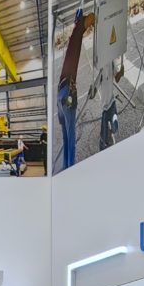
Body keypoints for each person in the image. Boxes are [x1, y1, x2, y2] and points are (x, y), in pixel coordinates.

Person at [56, 11, 93, 171]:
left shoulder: (73, 36)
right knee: (71, 138)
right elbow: (91, 17)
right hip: (67, 94)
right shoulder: (78, 30)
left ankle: (66, 167)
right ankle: (71, 170)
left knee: (66, 137)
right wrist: (94, 21)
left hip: (60, 95)